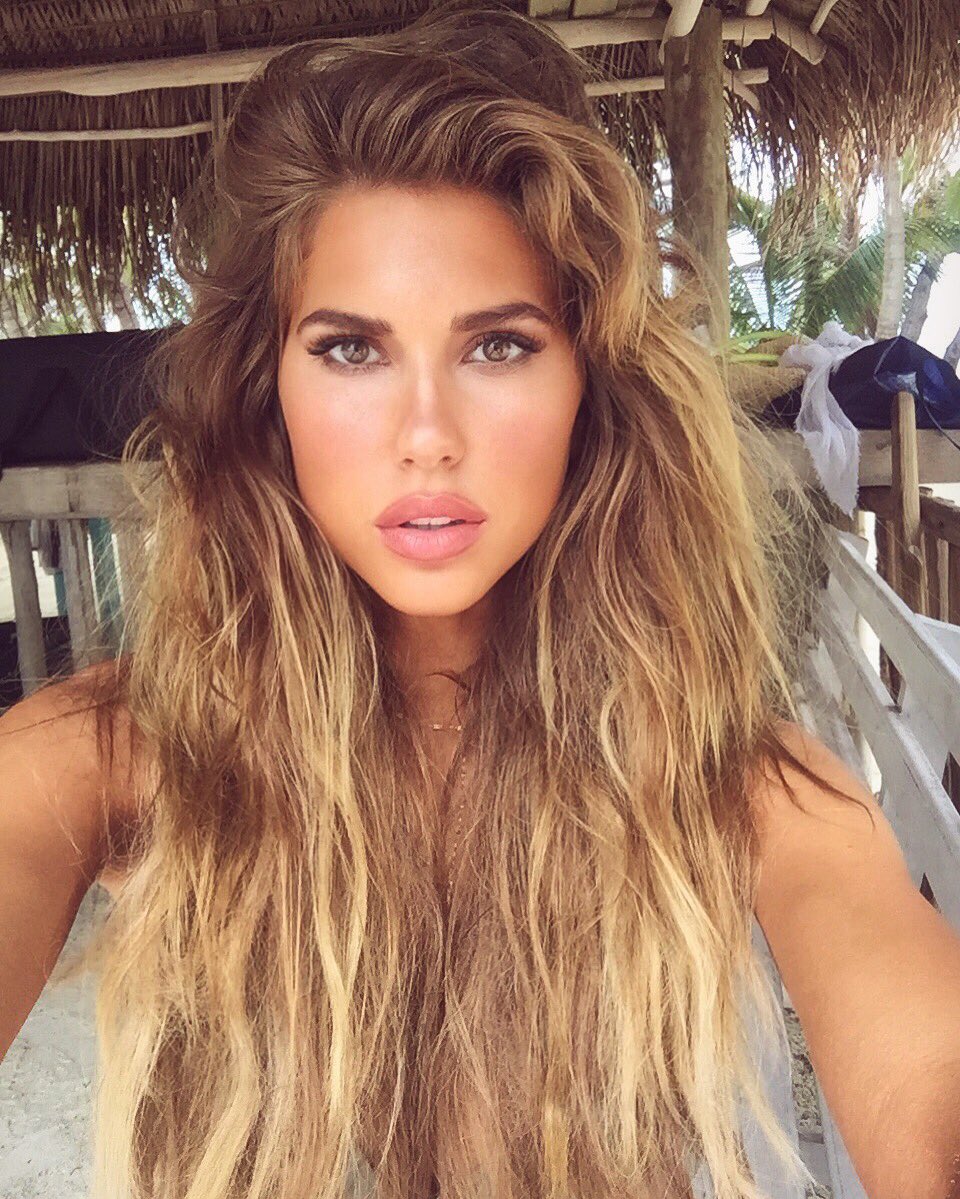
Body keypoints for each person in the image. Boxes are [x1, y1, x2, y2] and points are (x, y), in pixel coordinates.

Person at [2, 3, 959, 1198]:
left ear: (590, 382)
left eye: (498, 344)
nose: (426, 435)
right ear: (265, 392)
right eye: (351, 348)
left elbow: (925, 1075)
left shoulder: (728, 777)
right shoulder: (116, 753)